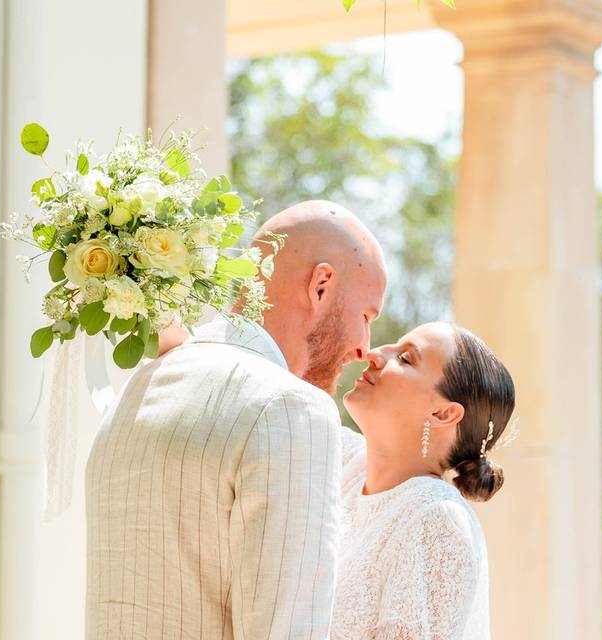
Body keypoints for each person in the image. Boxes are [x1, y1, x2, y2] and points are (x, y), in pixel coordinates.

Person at [85, 200, 387, 639]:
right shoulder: (291, 408)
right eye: (366, 316)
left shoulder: (139, 389)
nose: (365, 348)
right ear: (321, 286)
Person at [332, 321, 515, 639]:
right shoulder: (347, 465)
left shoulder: (435, 518)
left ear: (443, 414)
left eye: (405, 358)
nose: (374, 354)